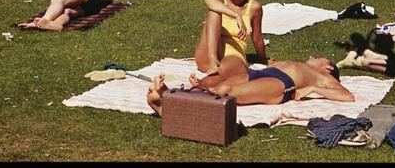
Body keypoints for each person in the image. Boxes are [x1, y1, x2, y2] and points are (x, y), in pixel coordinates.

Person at [147, 56, 352, 115]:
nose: (312, 56)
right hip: (258, 73)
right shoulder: (301, 65)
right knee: (230, 62)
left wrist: (313, 89)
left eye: (319, 58)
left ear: (328, 68)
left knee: (225, 92)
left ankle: (167, 104)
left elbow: (347, 96)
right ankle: (191, 91)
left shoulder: (323, 77)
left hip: (280, 84)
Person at [194, 0, 266, 75]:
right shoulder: (219, 0)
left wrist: (263, 60)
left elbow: (257, 39)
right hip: (208, 55)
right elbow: (208, 1)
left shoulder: (254, 7)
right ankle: (213, 61)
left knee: (230, 71)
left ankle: (217, 73)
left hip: (233, 55)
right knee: (214, 12)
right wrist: (236, 15)